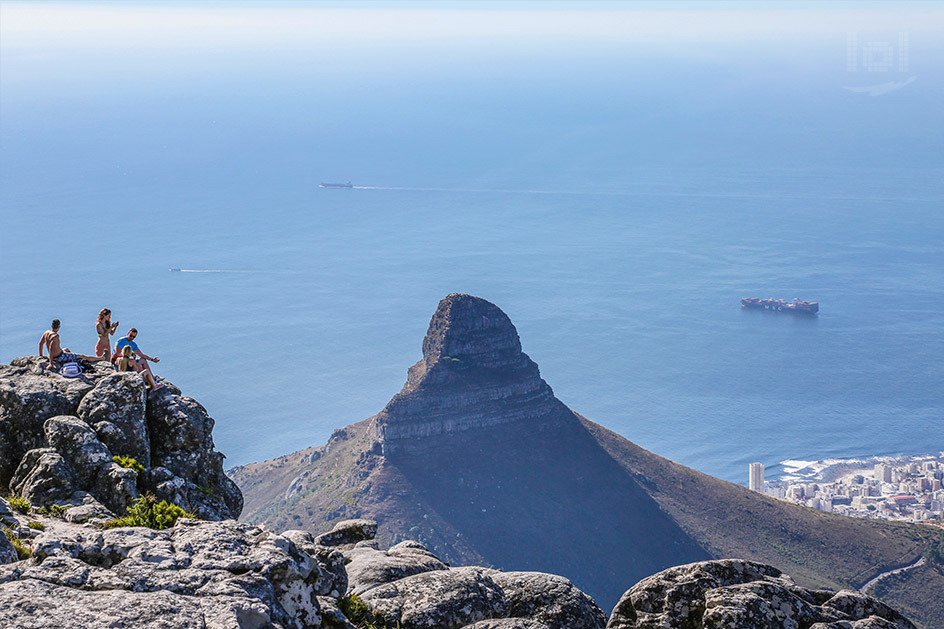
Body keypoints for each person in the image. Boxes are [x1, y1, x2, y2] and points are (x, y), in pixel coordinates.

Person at [39, 319, 105, 371]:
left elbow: (41, 344)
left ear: (52, 326)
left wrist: (41, 355)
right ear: (59, 327)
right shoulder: (55, 336)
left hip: (57, 355)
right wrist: (51, 364)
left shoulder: (46, 333)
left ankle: (71, 359)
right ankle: (101, 358)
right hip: (59, 357)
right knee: (83, 356)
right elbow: (51, 349)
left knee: (66, 349)